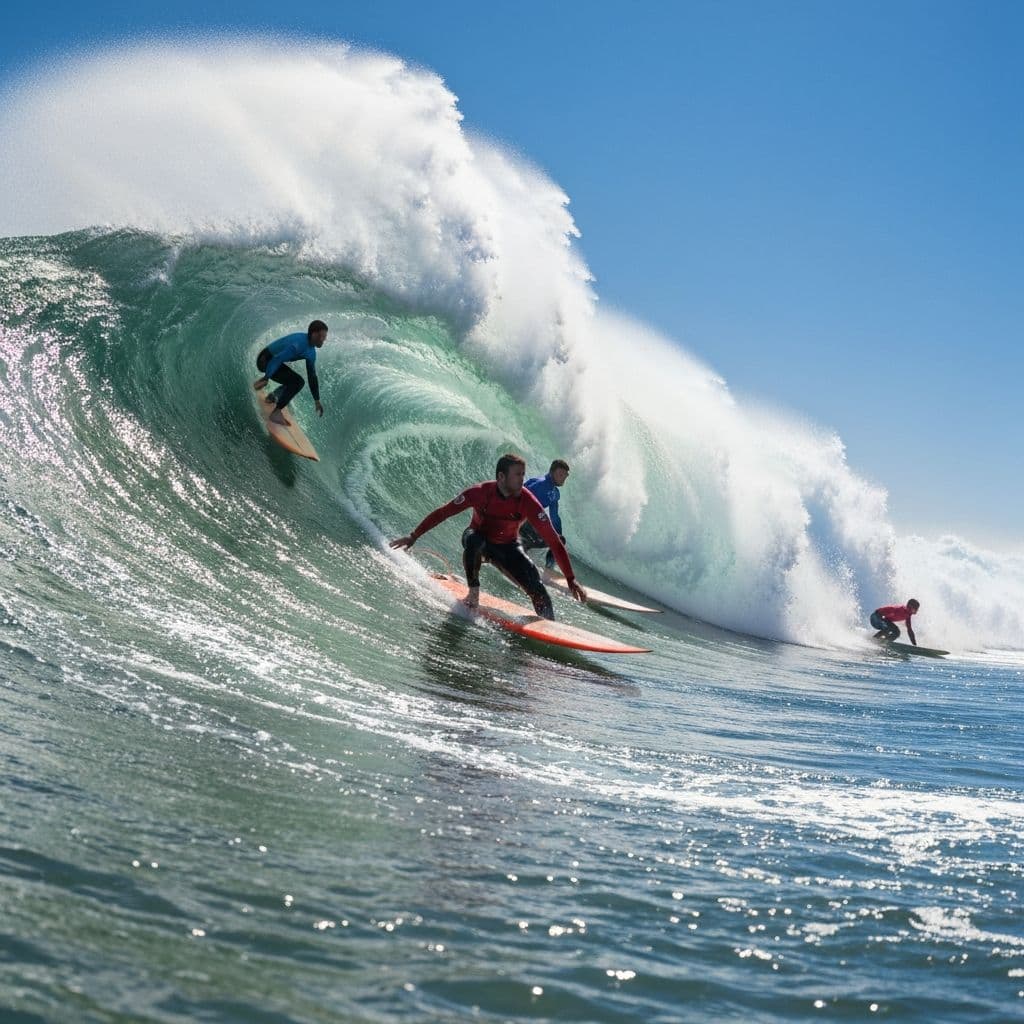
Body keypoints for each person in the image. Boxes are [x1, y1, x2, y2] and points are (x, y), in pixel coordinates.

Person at [390, 453, 587, 619]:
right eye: (517, 475)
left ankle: (548, 630)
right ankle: (473, 591)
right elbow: (444, 512)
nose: (522, 479)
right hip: (478, 539)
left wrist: (571, 579)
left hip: (507, 547)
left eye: (523, 474)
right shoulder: (479, 493)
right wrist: (413, 535)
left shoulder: (527, 501)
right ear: (501, 477)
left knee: (539, 591)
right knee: (475, 540)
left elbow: (553, 540)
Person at [253, 320, 328, 425]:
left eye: (325, 337)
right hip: (265, 360)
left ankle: (273, 397)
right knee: (298, 382)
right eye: (322, 337)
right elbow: (278, 359)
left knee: (295, 380)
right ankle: (276, 413)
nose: (324, 340)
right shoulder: (298, 344)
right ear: (314, 334)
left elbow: (312, 376)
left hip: (272, 360)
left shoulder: (311, 352)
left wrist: (317, 400)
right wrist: (266, 378)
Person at [520, 459, 570, 571]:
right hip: (519, 522)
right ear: (551, 472)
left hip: (528, 526)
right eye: (560, 474)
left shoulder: (555, 493)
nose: (563, 479)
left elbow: (555, 517)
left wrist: (558, 536)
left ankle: (548, 569)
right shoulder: (539, 484)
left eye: (565, 476)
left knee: (559, 540)